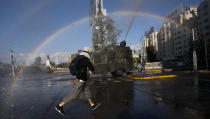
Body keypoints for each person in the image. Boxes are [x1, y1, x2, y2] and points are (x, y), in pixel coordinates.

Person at [55, 48, 101, 116]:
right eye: (90, 53)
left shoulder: (78, 57)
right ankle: (59, 106)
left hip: (82, 79)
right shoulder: (85, 59)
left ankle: (92, 105)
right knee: (74, 94)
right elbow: (91, 67)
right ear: (88, 52)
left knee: (87, 90)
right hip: (81, 80)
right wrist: (92, 71)